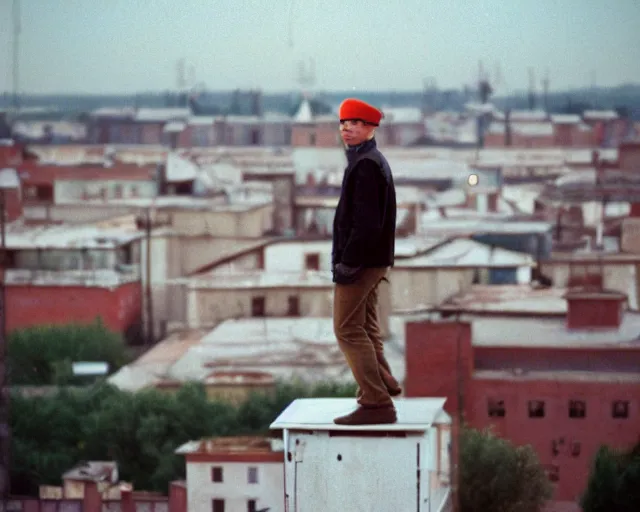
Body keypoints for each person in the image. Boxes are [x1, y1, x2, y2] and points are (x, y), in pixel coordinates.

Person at [331, 98, 401, 425]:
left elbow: (367, 224)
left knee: (347, 329)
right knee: (366, 326)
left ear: (371, 128)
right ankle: (384, 382)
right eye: (344, 122)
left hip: (361, 263)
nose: (347, 128)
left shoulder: (367, 165)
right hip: (372, 262)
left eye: (355, 123)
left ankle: (375, 403)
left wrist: (347, 264)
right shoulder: (368, 160)